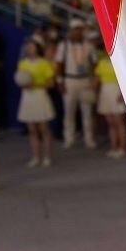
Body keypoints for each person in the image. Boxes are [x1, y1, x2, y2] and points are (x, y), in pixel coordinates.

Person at [54, 19, 98, 150]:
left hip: (85, 80)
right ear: (70, 31)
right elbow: (59, 65)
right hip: (70, 80)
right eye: (75, 29)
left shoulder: (89, 46)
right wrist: (60, 81)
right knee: (69, 111)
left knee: (87, 111)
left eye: (79, 29)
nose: (77, 32)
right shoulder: (64, 46)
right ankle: (69, 138)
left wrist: (93, 79)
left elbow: (94, 64)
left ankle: (89, 139)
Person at [15, 35, 56, 168]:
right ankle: (35, 157)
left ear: (37, 48)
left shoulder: (44, 63)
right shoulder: (22, 63)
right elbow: (20, 78)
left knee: (43, 128)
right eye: (28, 46)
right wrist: (23, 85)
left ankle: (47, 156)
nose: (29, 48)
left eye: (32, 46)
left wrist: (35, 85)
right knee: (32, 130)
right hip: (27, 97)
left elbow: (50, 83)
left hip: (39, 96)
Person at [93, 52, 126, 159]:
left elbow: (125, 79)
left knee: (119, 122)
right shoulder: (101, 63)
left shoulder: (120, 61)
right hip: (105, 91)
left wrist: (122, 93)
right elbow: (96, 80)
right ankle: (114, 147)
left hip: (116, 89)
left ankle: (122, 147)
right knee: (111, 123)